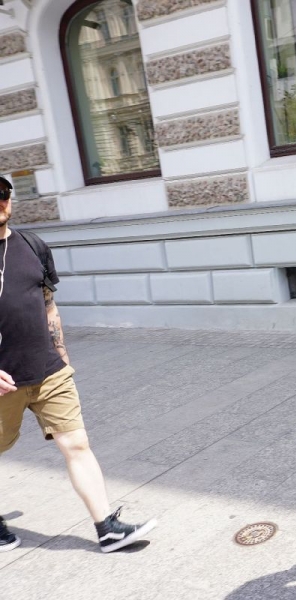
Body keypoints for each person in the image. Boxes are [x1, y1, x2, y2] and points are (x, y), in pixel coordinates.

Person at [0, 176, 157, 553]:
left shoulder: (32, 245)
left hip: (49, 372)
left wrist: (62, 357)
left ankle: (107, 528)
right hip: (4, 382)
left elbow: (48, 304)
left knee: (77, 444)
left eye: (2, 194)